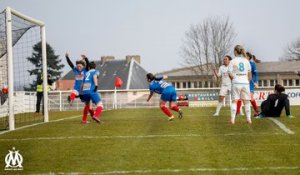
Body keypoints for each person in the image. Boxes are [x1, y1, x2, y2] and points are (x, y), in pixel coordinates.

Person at [228, 45, 252, 124]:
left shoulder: (233, 61)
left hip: (236, 81)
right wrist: (246, 80)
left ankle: (232, 120)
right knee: (246, 101)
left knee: (234, 101)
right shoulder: (246, 61)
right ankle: (248, 119)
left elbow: (230, 74)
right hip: (245, 82)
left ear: (235, 51)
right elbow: (250, 75)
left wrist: (234, 80)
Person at [236, 52, 259, 117]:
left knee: (250, 98)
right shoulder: (242, 64)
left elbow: (256, 74)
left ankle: (257, 111)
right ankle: (237, 112)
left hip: (250, 83)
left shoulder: (252, 64)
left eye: (244, 56)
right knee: (240, 97)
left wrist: (255, 82)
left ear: (248, 57)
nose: (243, 57)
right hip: (243, 82)